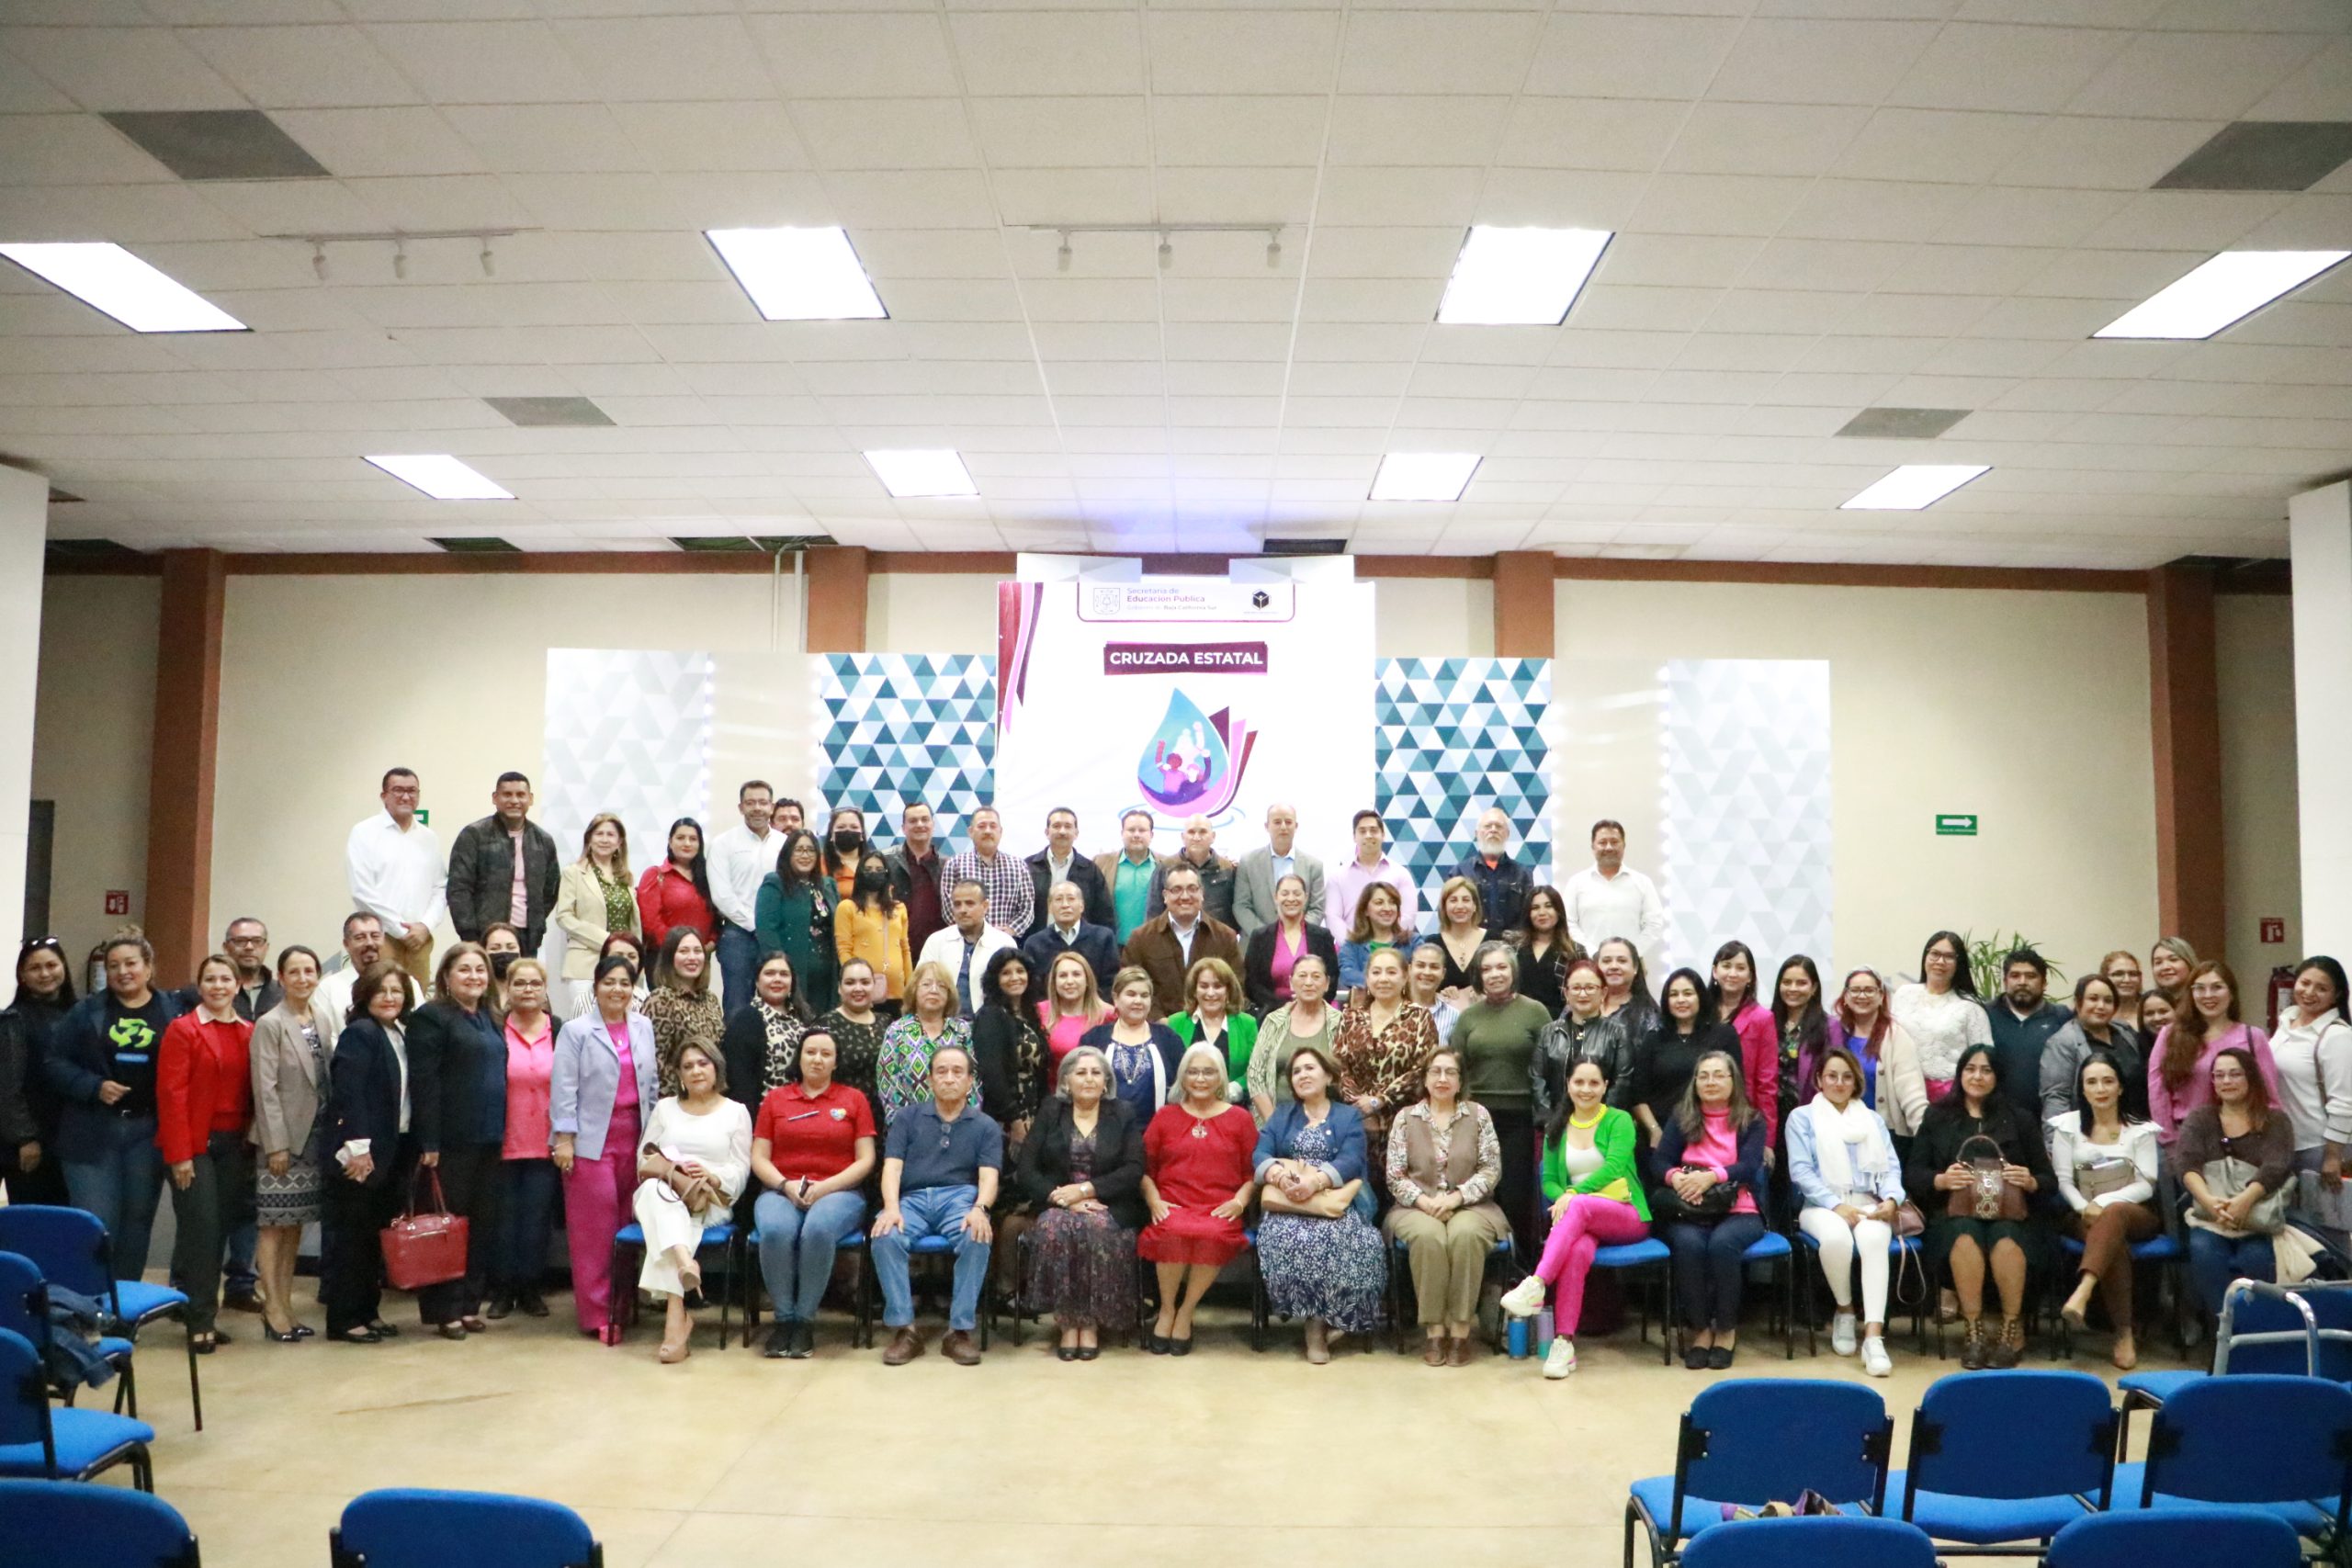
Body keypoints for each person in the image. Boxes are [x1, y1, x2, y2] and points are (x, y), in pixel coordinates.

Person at [1906, 1044, 2053, 1370]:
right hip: (1953, 1212)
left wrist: (2030, 1181)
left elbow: (2048, 1179)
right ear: (1960, 1074)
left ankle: (2010, 1330)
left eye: (1986, 1070)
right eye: (1970, 1068)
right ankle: (1973, 1330)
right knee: (1964, 1233)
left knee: (2005, 1236)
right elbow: (1913, 1173)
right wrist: (1941, 1181)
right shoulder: (1938, 1116)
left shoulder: (2019, 1118)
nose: (1977, 1076)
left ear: (1997, 1077)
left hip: (2012, 1213)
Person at [1500, 1057, 1648, 1380]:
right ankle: (1564, 1344)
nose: (1586, 1089)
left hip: (1626, 1214)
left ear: (1606, 1086)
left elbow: (1614, 1167)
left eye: (1594, 1083)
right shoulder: (1558, 1125)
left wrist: (1572, 1196)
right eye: (1579, 1082)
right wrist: (1565, 1195)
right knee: (1577, 1252)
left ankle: (1537, 1284)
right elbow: (1549, 1181)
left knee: (1579, 1207)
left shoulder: (1620, 1120)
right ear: (1568, 1084)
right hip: (1583, 1220)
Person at [48, 930, 181, 1281]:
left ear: (149, 967)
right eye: (114, 965)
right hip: (92, 1132)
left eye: (131, 963)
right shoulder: (85, 1011)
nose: (123, 971)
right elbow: (54, 1063)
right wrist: (93, 1087)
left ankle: (124, 1307)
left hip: (147, 1133)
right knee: (96, 1222)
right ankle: (91, 1305)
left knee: (138, 1221)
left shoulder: (173, 1010)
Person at [550, 954, 660, 1342]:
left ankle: (624, 1305)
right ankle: (598, 1314)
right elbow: (563, 1088)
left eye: (625, 983)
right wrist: (564, 1137)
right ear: (595, 986)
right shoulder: (576, 1031)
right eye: (609, 982)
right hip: (590, 1140)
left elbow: (652, 1085)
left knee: (627, 1226)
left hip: (635, 1136)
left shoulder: (644, 1026)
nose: (617, 989)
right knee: (594, 1233)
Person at [871, 1043, 1001, 1366]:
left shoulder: (985, 1125)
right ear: (929, 1079)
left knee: (977, 1235)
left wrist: (980, 1209)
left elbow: (988, 1177)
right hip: (912, 1200)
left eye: (958, 1072)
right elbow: (892, 1168)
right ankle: (905, 1330)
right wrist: (891, 1207)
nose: (949, 1078)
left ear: (970, 1081)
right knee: (885, 1236)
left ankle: (958, 1332)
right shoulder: (907, 1117)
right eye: (941, 1071)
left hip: (960, 1199)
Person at [751, 1027, 876, 1358]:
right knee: (776, 1231)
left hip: (840, 1192)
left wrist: (826, 1188)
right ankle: (784, 1321)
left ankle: (804, 1321)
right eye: (810, 1052)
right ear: (799, 1057)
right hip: (782, 1189)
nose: (817, 1059)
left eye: (825, 1054)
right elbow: (759, 1157)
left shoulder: (854, 1099)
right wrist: (784, 1185)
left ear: (836, 1062)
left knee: (817, 1229)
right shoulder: (776, 1099)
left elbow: (866, 1159)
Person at [1254, 1046, 1385, 1362]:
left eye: (1310, 1068)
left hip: (1334, 1201)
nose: (1303, 1075)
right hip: (1288, 1204)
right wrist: (1280, 1176)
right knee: (1295, 1237)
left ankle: (1336, 1320)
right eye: (1296, 1071)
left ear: (1328, 1075)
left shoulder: (1347, 1115)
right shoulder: (1283, 1114)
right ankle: (1314, 1328)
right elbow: (1260, 1153)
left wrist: (1316, 1182)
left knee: (1361, 1241)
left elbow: (1353, 1159)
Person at [1384, 1045, 1510, 1366]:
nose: (1442, 1078)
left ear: (1460, 1080)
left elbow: (1491, 1169)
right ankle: (1435, 1331)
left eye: (1450, 1072)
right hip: (1414, 1207)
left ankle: (1461, 1330)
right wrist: (1426, 1202)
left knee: (1464, 1236)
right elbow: (1395, 1175)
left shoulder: (1478, 1115)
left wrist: (1457, 1197)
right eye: (1435, 1071)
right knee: (1429, 1238)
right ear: (1425, 1079)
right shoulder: (1405, 1118)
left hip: (1472, 1206)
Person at [405, 943, 506, 1338]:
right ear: (446, 976)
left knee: (480, 1227)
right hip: (449, 1143)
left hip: (489, 1138)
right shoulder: (431, 1018)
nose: (474, 977)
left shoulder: (489, 1017)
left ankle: (467, 1305)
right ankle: (443, 1310)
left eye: (480, 970)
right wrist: (429, 1141)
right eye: (464, 970)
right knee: (446, 1229)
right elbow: (424, 1082)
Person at [1017, 1044, 1144, 1359]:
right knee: (1054, 1229)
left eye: (1096, 1073)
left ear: (1106, 1081)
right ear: (1066, 1081)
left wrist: (1085, 1190)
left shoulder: (1123, 1113)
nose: (1088, 1079)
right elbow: (1026, 1169)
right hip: (1059, 1202)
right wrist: (1062, 1197)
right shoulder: (1050, 1111)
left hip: (1109, 1203)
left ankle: (1090, 1322)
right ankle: (1067, 1321)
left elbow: (1134, 1169)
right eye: (1081, 1072)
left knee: (1098, 1230)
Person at [155, 953, 254, 1353]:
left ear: (237, 986)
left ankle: (205, 1312)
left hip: (235, 1147)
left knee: (220, 1234)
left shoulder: (249, 1031)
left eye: (225, 979)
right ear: (199, 986)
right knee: (201, 1232)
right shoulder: (183, 1030)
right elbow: (171, 1095)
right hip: (194, 1148)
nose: (218, 986)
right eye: (210, 979)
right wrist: (180, 1155)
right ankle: (199, 1321)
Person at [1786, 1047, 1903, 1377]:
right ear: (1819, 1080)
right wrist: (1836, 1205)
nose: (1839, 1082)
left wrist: (1892, 1200)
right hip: (1822, 1205)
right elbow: (1801, 1172)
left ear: (1856, 1082)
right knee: (1837, 1238)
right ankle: (1845, 1309)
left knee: (1873, 1242)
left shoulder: (1872, 1119)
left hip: (1868, 1201)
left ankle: (1874, 1338)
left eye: (1846, 1077)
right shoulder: (1802, 1118)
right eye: (1832, 1076)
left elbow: (1891, 1168)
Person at [632, 1041, 752, 1363]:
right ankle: (685, 1268)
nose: (696, 1070)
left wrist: (711, 1174)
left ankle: (676, 1316)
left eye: (703, 1063)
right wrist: (675, 1170)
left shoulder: (736, 1112)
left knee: (670, 1218)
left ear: (716, 1068)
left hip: (708, 1201)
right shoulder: (665, 1108)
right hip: (664, 1191)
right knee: (658, 1196)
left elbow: (741, 1169)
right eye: (688, 1066)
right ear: (680, 1075)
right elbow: (644, 1159)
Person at [1653, 1050, 1769, 1369]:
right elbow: (1659, 1161)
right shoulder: (1682, 1115)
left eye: (1719, 1075)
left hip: (1739, 1207)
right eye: (1703, 1076)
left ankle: (1727, 1330)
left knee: (1722, 1245)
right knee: (1688, 1245)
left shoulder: (1751, 1119)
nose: (1710, 1082)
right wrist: (1677, 1178)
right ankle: (1701, 1329)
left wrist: (1711, 1176)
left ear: (1734, 1081)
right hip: (1690, 1205)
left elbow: (1748, 1166)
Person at [1138, 1043, 1258, 1352]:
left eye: (1208, 1072)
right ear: (1182, 1077)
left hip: (1219, 1206)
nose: (1200, 1079)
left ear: (1220, 1077)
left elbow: (1252, 1174)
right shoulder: (1165, 1117)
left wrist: (1240, 1202)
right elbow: (1143, 1169)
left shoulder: (1241, 1119)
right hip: (1173, 1202)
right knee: (1172, 1231)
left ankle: (1186, 1312)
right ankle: (1167, 1309)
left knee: (1212, 1234)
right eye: (1193, 1072)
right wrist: (1153, 1200)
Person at [2050, 1051, 2162, 1370]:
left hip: (2135, 1212)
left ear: (2120, 1088)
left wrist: (2102, 1204)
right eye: (2092, 1082)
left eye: (2108, 1081)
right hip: (2081, 1211)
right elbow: (2063, 1180)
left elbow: (2146, 1184)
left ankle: (2083, 1291)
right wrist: (2085, 1207)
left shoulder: (2140, 1129)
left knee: (2113, 1216)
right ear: (2082, 1089)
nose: (2100, 1089)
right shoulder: (2067, 1126)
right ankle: (2124, 1333)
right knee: (2115, 1246)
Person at [323, 961, 413, 1344]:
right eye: (382, 991)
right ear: (365, 995)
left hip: (393, 1151)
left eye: (396, 991)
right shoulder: (360, 1033)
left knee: (373, 1237)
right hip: (363, 1153)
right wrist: (359, 1148)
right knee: (353, 1239)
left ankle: (367, 1311)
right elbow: (349, 1094)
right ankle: (345, 1320)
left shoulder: (395, 1032)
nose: (390, 998)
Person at [249, 945, 334, 1341]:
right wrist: (276, 1145)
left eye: (309, 971)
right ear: (281, 978)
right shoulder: (270, 1023)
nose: (303, 978)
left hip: (314, 1137)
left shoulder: (319, 1018)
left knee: (294, 1225)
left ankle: (285, 1302)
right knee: (272, 1225)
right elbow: (264, 1089)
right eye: (294, 972)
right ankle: (271, 1307)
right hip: (281, 1142)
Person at [2178, 1047, 2294, 1320]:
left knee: (2255, 1258)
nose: (2226, 1082)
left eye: (2234, 1074)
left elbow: (2276, 1166)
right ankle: (2226, 1332)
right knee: (2204, 1252)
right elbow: (2187, 1165)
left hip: (2258, 1216)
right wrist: (2210, 1203)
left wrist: (2244, 1201)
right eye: (2219, 1076)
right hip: (2211, 1216)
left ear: (2251, 1078)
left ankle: (2257, 1331)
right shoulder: (2201, 1119)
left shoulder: (2276, 1120)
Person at [1451, 941, 1548, 1251]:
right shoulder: (1468, 1018)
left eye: (1501, 967)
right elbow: (1456, 1068)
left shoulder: (1535, 1012)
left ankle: (1521, 1267)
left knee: (1516, 1193)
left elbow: (1549, 1065)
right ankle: (1486, 1263)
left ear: (1513, 971)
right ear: (1479, 976)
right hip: (1476, 1118)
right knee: (1476, 1192)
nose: (1495, 974)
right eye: (1487, 969)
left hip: (1520, 1117)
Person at [1332, 947, 1439, 1188]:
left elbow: (1422, 1068)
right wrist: (1360, 1104)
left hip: (1404, 1120)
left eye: (1391, 972)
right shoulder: (1350, 1017)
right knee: (1361, 1192)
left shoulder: (1420, 1017)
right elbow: (1339, 1066)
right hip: (1357, 1121)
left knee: (1399, 1193)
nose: (1383, 979)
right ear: (1367, 979)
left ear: (1404, 977)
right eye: (1376, 972)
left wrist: (1380, 1100)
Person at [490, 957, 560, 1321]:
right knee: (503, 1223)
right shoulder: (494, 1030)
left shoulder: (559, 1030)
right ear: (508, 989)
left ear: (545, 990)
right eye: (520, 983)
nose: (528, 990)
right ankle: (502, 1290)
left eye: (535, 984)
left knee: (536, 1222)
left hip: (545, 1144)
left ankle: (531, 1289)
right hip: (503, 1141)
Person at [2150, 961, 2280, 1149]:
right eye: (2200, 989)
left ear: (2232, 993)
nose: (2208, 995)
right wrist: (2169, 1141)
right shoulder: (2170, 1036)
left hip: (2244, 1142)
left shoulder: (2253, 1037)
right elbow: (2158, 1092)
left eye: (2217, 987)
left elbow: (2269, 1097)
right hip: (2186, 1140)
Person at [2273, 955, 2352, 1246]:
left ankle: (2340, 1290)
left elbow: (2344, 1102)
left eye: (2322, 988)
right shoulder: (2286, 1023)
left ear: (2337, 995)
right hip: (2285, 1144)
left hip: (2319, 1148)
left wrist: (2333, 1156)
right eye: (2305, 983)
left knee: (2329, 1236)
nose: (2309, 992)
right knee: (2297, 1237)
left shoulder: (2337, 1036)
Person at [345, 767, 446, 985]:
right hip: (382, 939)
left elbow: (440, 888)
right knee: (381, 999)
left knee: (417, 1008)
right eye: (398, 790)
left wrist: (425, 926)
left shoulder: (429, 838)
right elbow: (362, 891)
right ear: (384, 796)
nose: (406, 796)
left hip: (420, 940)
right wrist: (401, 931)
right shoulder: (364, 833)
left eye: (412, 791)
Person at [1622, 968, 1739, 1154]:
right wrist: (1654, 1130)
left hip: (1712, 1134)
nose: (1681, 1000)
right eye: (1674, 994)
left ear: (1700, 996)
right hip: (1662, 1134)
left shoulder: (1724, 1035)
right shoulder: (1654, 1039)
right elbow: (1638, 1095)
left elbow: (1737, 1087)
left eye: (1688, 993)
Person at [446, 772, 560, 957]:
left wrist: (536, 921)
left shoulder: (543, 841)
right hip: (484, 936)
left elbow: (551, 889)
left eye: (521, 795)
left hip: (527, 937)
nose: (514, 800)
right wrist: (469, 935)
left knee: (522, 985)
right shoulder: (474, 835)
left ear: (530, 799)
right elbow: (459, 889)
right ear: (495, 798)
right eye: (507, 794)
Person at [5, 936, 76, 1207]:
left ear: (64, 967)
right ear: (22, 975)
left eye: (51, 965)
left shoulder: (80, 1012)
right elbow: (8, 1086)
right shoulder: (14, 1020)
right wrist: (26, 1139)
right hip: (32, 1145)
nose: (45, 974)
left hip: (72, 1141)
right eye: (35, 968)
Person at [1121, 863, 1241, 1021]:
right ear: (1165, 896)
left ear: (1202, 893)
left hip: (1211, 1028)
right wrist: (1160, 1022)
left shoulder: (1225, 937)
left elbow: (1236, 986)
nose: (1185, 897)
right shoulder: (1141, 939)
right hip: (1157, 1030)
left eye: (1192, 889)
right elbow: (1129, 985)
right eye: (1176, 890)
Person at [1828, 968, 1929, 1155]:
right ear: (1846, 996)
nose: (1862, 996)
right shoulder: (1835, 1032)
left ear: (1882, 995)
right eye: (1855, 990)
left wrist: (1926, 1138)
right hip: (1840, 1134)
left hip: (1885, 1138)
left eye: (1869, 990)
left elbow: (1911, 1092)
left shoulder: (1895, 1036)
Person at [710, 781, 783, 1021]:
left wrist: (768, 929)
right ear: (740, 807)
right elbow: (722, 895)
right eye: (750, 803)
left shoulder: (784, 845)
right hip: (737, 935)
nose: (757, 808)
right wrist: (754, 924)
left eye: (763, 802)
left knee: (778, 1003)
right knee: (737, 1006)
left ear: (772, 807)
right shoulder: (723, 844)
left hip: (777, 934)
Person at [553, 814, 638, 1016]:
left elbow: (632, 924)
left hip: (623, 965)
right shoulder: (573, 873)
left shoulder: (626, 878)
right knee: (586, 1024)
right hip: (585, 963)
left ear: (619, 842)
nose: (605, 839)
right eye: (599, 834)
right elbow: (564, 916)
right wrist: (607, 941)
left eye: (610, 834)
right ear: (589, 840)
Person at [1892, 930, 1992, 1100]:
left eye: (1949, 957)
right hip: (1902, 1089)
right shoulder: (1903, 995)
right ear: (1925, 956)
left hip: (1951, 1097)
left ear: (1958, 963)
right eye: (1935, 954)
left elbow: (1985, 1057)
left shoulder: (1971, 1007)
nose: (1940, 962)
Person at [2040, 975, 2147, 1125]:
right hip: (2092, 1134)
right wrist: (2055, 1143)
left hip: (2138, 1128)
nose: (2101, 1006)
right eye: (2093, 999)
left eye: (2108, 1001)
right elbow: (2056, 1097)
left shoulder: (2126, 1032)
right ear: (2078, 1003)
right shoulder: (2062, 1043)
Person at [1080, 968, 1183, 1123]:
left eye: (1144, 995)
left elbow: (1184, 1085)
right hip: (1104, 1134)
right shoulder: (1094, 1039)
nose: (1138, 1001)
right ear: (1115, 998)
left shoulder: (1168, 1039)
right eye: (1131, 994)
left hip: (1157, 1133)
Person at [1532, 959, 1632, 1120]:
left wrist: (1603, 1119)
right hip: (1554, 1123)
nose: (1583, 994)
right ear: (1566, 993)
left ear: (1603, 993)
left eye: (1590, 988)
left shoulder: (1617, 1033)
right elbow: (1537, 1079)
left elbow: (1622, 1083)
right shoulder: (1549, 1032)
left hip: (1601, 1123)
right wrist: (1551, 1120)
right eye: (1576, 988)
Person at [876, 964, 973, 1124]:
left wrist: (966, 1124)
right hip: (910, 1130)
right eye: (926, 984)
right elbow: (888, 1083)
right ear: (914, 990)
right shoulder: (897, 1031)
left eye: (941, 986)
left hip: (959, 1127)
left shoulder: (961, 1030)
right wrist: (908, 1127)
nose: (933, 990)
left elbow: (973, 1080)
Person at [972, 950, 1048, 1155]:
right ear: (995, 980)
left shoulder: (1030, 1014)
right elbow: (992, 1073)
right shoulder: (991, 1016)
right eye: (1006, 973)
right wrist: (1014, 1120)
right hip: (1004, 1119)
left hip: (1032, 1112)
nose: (1015, 978)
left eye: (1020, 971)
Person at [1247, 952, 1338, 1122]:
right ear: (1291, 982)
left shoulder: (1340, 1022)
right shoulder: (1274, 1021)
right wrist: (1274, 1125)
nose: (1308, 982)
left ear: (1326, 984)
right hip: (1275, 1119)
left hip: (1328, 1123)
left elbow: (1345, 1077)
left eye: (1316, 976)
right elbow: (1255, 1075)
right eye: (1302, 976)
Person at [757, 828, 838, 1015]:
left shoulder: (828, 885)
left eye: (810, 850)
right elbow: (767, 931)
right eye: (799, 850)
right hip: (793, 974)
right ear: (788, 854)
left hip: (826, 977)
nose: (805, 855)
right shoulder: (775, 883)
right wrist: (780, 970)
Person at [1708, 940, 1779, 1146]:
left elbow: (1767, 1083)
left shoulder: (1763, 1018)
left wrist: (1767, 1141)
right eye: (1726, 966)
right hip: (1700, 1114)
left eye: (1740, 968)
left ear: (1750, 976)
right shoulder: (1700, 1013)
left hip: (1743, 1116)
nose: (1732, 973)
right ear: (1715, 971)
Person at [1987, 948, 2071, 1119]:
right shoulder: (1985, 1014)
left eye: (2031, 976)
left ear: (2044, 983)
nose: (2022, 982)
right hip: (1995, 1121)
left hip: (2047, 1119)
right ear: (2005, 980)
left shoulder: (2061, 1017)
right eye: (2015, 976)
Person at [1560, 818, 1665, 956]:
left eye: (1614, 842)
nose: (1609, 847)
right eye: (1602, 843)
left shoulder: (1643, 882)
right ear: (1593, 847)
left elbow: (1654, 925)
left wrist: (1630, 954)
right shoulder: (1576, 882)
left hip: (1630, 966)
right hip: (1588, 966)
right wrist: (1593, 953)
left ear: (1624, 845)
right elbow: (1568, 924)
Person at [916, 880, 1018, 1020]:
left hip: (991, 1024)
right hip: (943, 1024)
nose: (962, 910)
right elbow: (920, 986)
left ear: (985, 906)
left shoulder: (1004, 943)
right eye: (957, 904)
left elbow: (1012, 992)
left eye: (970, 903)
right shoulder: (936, 941)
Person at [1242, 872, 1340, 1017]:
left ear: (1306, 897)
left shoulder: (1322, 937)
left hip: (1316, 1014)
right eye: (1285, 893)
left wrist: (1308, 1004)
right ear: (1276, 897)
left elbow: (1332, 978)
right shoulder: (1260, 937)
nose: (1291, 899)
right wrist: (1283, 1007)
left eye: (1297, 893)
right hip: (1271, 1015)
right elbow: (1252, 984)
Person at [718, 952, 809, 1107]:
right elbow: (740, 1083)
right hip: (764, 1117)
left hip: (802, 1112)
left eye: (784, 974)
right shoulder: (746, 1021)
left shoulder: (804, 1018)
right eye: (769, 973)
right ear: (757, 982)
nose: (777, 979)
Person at [642, 926, 722, 1096]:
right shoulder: (661, 999)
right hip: (675, 1101)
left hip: (709, 1097)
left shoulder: (711, 999)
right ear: (670, 958)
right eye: (684, 951)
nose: (692, 958)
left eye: (697, 951)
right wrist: (682, 1096)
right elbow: (654, 1061)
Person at [830, 850, 912, 1012]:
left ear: (887, 874)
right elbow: (844, 949)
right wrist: (855, 982)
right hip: (863, 993)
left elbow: (905, 949)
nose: (874, 873)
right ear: (860, 874)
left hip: (898, 994)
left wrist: (910, 987)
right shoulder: (847, 907)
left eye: (879, 870)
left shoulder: (899, 908)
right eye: (868, 870)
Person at [1770, 956, 1834, 1158]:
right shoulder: (1767, 1022)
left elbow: (1834, 1075)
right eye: (1787, 982)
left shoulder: (1829, 1027)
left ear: (1814, 987)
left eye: (1801, 983)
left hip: (1810, 1120)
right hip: (1771, 1120)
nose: (1793, 988)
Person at [1232, 803, 1325, 936]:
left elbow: (1317, 908)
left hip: (1301, 945)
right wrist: (1267, 935)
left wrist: (1296, 934)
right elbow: (1241, 906)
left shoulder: (1314, 865)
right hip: (1257, 943)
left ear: (1296, 826)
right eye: (1277, 822)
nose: (1283, 827)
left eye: (1288, 822)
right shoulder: (1248, 862)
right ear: (1266, 826)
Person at [638, 817, 718, 971]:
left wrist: (711, 943)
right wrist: (681, 948)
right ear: (670, 841)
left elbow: (716, 917)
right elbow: (650, 922)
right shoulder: (655, 875)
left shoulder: (709, 877)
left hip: (699, 961)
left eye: (693, 839)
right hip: (664, 959)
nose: (687, 843)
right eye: (681, 838)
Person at [1328, 809, 1419, 945]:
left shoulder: (1400, 874)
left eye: (1374, 830)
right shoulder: (1337, 876)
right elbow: (1333, 917)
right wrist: (1354, 946)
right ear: (1354, 836)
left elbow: (1408, 916)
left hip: (1393, 953)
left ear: (1383, 835)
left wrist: (1387, 944)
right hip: (1352, 953)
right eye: (1362, 831)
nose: (1368, 835)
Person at [940, 806, 1033, 937]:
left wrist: (1010, 931)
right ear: (970, 831)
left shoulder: (1018, 866)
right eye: (982, 826)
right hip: (965, 941)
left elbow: (1027, 907)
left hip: (1005, 944)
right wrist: (973, 932)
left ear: (1000, 832)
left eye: (993, 826)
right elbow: (948, 908)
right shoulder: (954, 864)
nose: (988, 831)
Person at [1169, 957, 1255, 1094]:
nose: (1210, 993)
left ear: (1228, 990)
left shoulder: (1247, 1024)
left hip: (1233, 1107)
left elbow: (1255, 1071)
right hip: (1186, 1104)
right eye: (1204, 986)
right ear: (1194, 990)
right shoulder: (1175, 1023)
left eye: (1217, 986)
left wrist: (1235, 1089)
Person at [817, 959, 888, 1127]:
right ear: (839, 988)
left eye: (865, 982)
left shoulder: (887, 1023)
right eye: (850, 983)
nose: (858, 988)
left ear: (873, 985)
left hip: (883, 1119)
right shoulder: (826, 1025)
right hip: (841, 1118)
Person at [1021, 879, 1120, 993]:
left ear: (1082, 905)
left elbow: (1111, 982)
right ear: (1050, 907)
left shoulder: (1103, 937)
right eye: (1058, 899)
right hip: (1049, 1009)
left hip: (1095, 1008)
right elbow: (1033, 988)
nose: (1065, 905)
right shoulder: (1035, 943)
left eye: (1071, 899)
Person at [1025, 807, 1113, 934]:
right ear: (1046, 832)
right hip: (1038, 945)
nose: (1062, 831)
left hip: (1079, 945)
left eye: (1068, 826)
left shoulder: (1090, 870)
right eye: (1056, 826)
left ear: (1076, 833)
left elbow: (1104, 915)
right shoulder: (1028, 867)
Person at [1453, 807, 1535, 933]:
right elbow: (1448, 914)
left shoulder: (1523, 874)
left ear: (1507, 834)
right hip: (1472, 946)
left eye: (1498, 826)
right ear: (1477, 833)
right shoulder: (1460, 872)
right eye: (1487, 826)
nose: (1493, 830)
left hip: (1512, 947)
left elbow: (1529, 917)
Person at [1148, 814, 1238, 930]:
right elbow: (1154, 911)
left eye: (1203, 832)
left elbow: (1237, 910)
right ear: (1183, 837)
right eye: (1191, 832)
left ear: (1213, 836)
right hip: (1174, 941)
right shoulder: (1165, 868)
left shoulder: (1228, 868)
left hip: (1218, 942)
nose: (1197, 837)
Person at [1040, 952, 1113, 1091]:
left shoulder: (1108, 1015)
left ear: (1087, 980)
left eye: (1076, 974)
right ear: (1054, 982)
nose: (1069, 981)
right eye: (1062, 976)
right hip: (1052, 1098)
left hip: (1096, 1095)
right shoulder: (1039, 1012)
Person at [886, 801, 949, 962]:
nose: (920, 824)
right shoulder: (885, 861)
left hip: (937, 953)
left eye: (925, 819)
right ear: (903, 828)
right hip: (894, 950)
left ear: (933, 825)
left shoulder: (948, 865)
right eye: (913, 821)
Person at [1095, 808, 1164, 945]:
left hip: (1153, 947)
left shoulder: (1166, 865)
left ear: (1151, 834)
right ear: (1122, 833)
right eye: (1131, 830)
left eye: (1142, 830)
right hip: (1112, 947)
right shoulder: (1101, 864)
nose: (1136, 835)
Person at [1427, 876, 1496, 1008]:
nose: (1460, 906)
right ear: (1444, 907)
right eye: (1453, 900)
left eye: (1466, 900)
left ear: (1475, 905)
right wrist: (1441, 994)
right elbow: (1424, 989)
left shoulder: (1494, 940)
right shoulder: (1433, 944)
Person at [1511, 886, 1577, 1017]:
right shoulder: (1514, 949)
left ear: (1559, 911)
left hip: (1561, 1024)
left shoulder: (1575, 951)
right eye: (1535, 908)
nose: (1542, 912)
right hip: (1519, 1022)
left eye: (1549, 906)